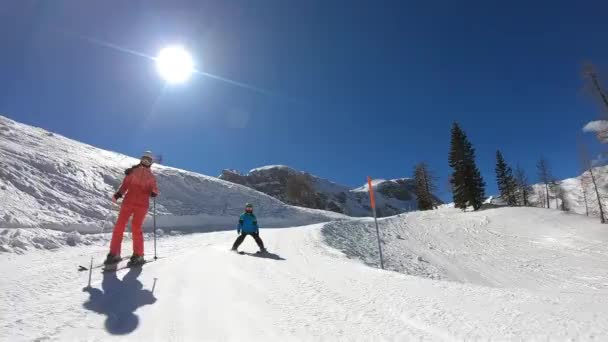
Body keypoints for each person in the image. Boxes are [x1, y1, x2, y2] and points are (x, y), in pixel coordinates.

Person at [104, 151, 159, 266]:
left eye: (148, 160)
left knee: (136, 227)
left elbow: (154, 188)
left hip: (142, 205)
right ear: (141, 159)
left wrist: (154, 192)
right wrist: (119, 193)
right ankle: (114, 253)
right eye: (144, 159)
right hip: (128, 202)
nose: (145, 162)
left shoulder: (151, 177)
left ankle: (138, 255)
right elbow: (125, 185)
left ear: (151, 163)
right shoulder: (132, 171)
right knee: (119, 225)